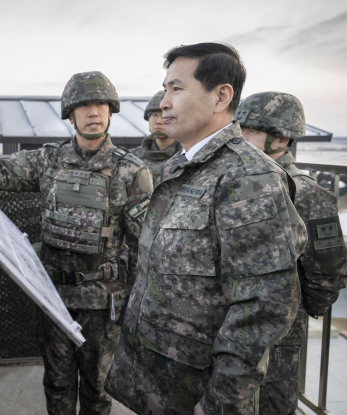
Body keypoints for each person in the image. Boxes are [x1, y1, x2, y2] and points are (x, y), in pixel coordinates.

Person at [0, 71, 153, 415]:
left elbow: (143, 247)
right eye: (84, 105)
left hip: (102, 304)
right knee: (57, 385)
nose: (93, 112)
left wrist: (133, 305)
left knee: (98, 390)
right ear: (70, 114)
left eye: (100, 105)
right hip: (53, 298)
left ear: (110, 111)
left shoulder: (132, 171)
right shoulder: (49, 161)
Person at [104, 43, 307, 415]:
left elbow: (262, 309)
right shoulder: (181, 168)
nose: (164, 102)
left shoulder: (249, 178)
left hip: (198, 396)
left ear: (220, 97)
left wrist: (219, 403)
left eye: (176, 89)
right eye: (165, 89)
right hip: (158, 385)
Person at [237, 91, 347, 415]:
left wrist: (298, 312)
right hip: (232, 324)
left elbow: (329, 271)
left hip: (279, 334)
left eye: (249, 132)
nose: (239, 139)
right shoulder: (237, 182)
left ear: (282, 139)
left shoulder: (307, 192)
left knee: (272, 403)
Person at [133, 90, 182, 186]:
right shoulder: (133, 157)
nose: (159, 121)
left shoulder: (187, 157)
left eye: (165, 114)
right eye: (155, 115)